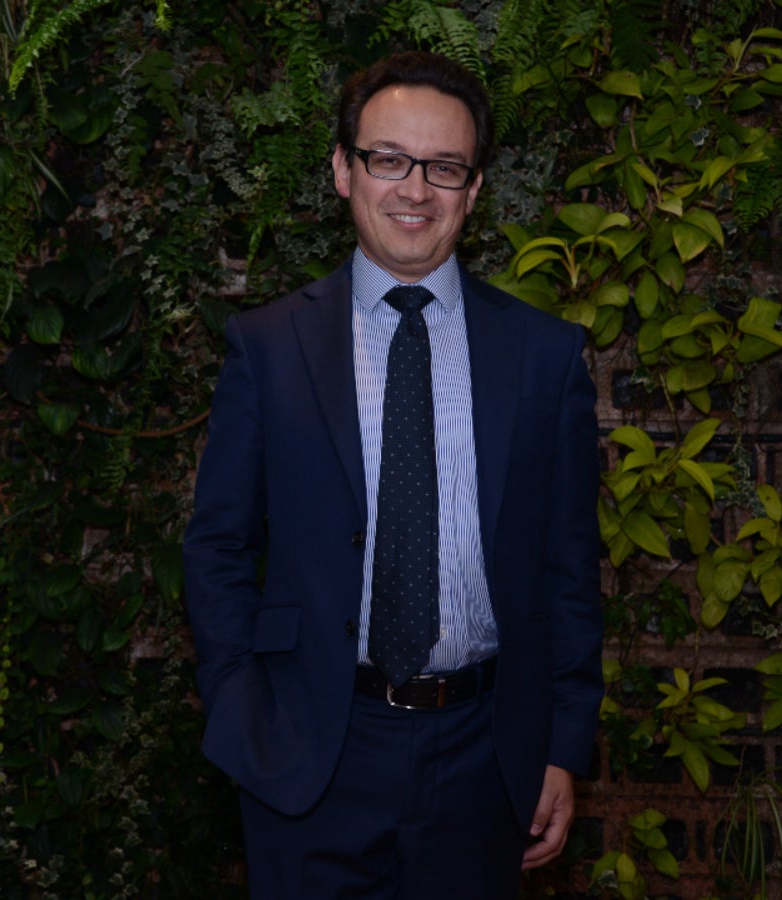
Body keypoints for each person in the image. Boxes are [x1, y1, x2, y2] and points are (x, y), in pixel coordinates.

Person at [184, 50, 603, 900]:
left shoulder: (544, 356)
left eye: (444, 167)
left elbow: (569, 568)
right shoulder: (267, 349)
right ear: (344, 171)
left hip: (486, 759)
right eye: (389, 159)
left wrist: (563, 745)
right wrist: (239, 704)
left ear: (474, 189)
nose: (416, 190)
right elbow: (217, 546)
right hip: (309, 754)